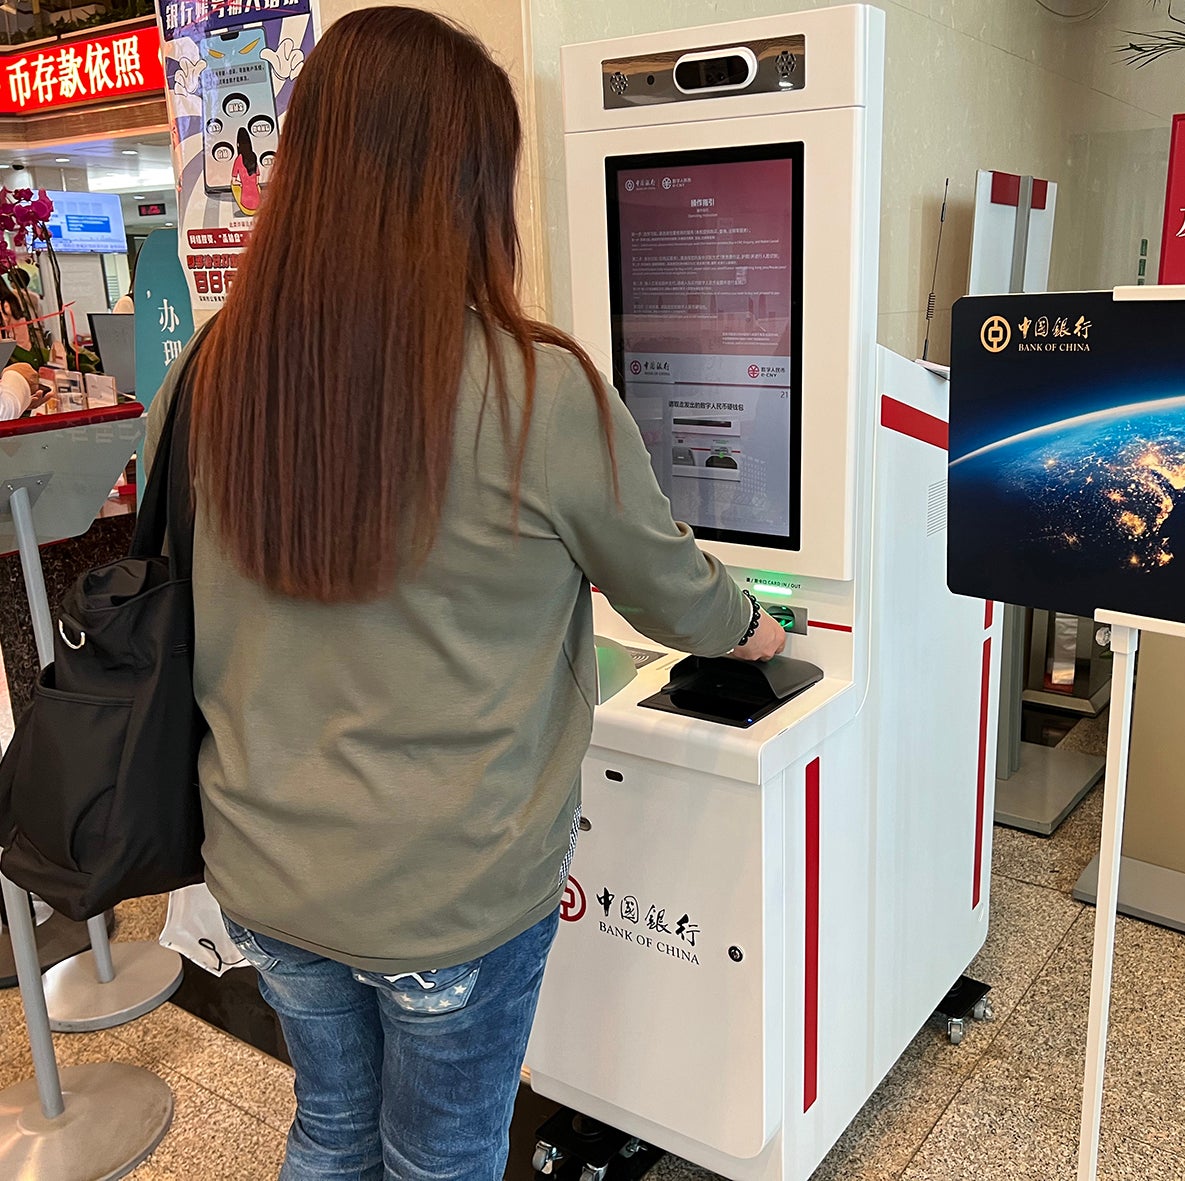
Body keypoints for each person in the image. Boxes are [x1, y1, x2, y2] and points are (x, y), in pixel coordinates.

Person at [144, 8, 786, 1180]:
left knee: (331, 1126)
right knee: (442, 1154)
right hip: (453, 894)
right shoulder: (539, 388)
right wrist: (755, 626)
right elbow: (673, 593)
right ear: (471, 187)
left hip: (265, 875)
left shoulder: (215, 368)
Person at [231, 125, 262, 215]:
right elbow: (257, 180)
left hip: (246, 202)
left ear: (238, 144)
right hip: (257, 201)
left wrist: (240, 183)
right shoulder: (253, 156)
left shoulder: (239, 159)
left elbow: (233, 181)